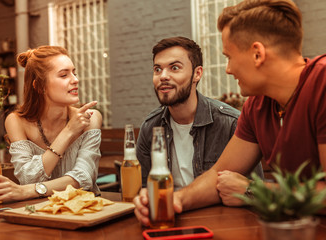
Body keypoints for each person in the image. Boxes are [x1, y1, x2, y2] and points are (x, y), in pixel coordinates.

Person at [134, 0, 326, 226]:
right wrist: (175, 200)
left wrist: (253, 190)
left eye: (229, 56)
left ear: (257, 54)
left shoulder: (322, 84)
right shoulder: (257, 105)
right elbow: (220, 175)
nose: (228, 69)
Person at [137, 36, 263, 191]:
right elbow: (142, 189)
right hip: (167, 210)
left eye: (174, 68)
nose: (163, 76)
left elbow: (254, 193)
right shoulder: (150, 127)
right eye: (157, 69)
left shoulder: (230, 123)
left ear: (197, 74)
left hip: (217, 214)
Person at [0, 46, 103, 204]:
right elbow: (27, 177)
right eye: (64, 75)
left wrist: (27, 191)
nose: (75, 80)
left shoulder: (90, 119)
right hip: (38, 211)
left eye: (74, 72)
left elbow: (84, 178)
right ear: (39, 86)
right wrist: (68, 132)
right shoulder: (16, 121)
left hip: (85, 211)